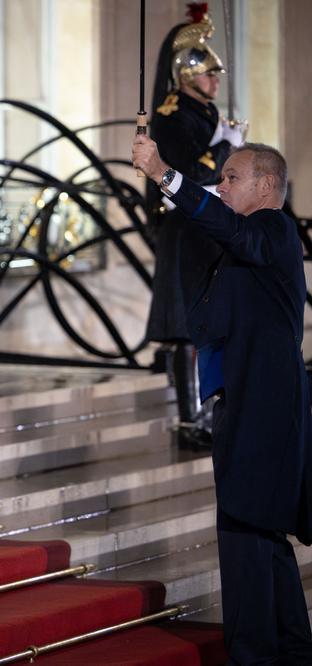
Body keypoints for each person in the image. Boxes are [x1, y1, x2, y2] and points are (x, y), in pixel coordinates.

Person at [134, 134, 312, 664]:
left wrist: (167, 173)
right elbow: (207, 234)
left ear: (265, 185)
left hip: (266, 401)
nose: (222, 184)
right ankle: (292, 648)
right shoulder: (245, 236)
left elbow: (226, 226)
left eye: (232, 177)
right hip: (248, 396)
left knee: (243, 526)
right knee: (255, 525)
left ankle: (254, 654)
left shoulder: (273, 228)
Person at [145, 3, 244, 449]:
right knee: (186, 328)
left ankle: (211, 412)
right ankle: (191, 421)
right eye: (208, 74)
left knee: (208, 323)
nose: (215, 81)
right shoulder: (172, 114)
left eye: (216, 74)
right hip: (183, 228)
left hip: (206, 228)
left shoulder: (204, 112)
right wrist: (224, 148)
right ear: (187, 75)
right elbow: (184, 169)